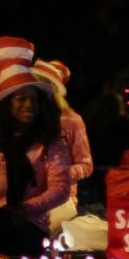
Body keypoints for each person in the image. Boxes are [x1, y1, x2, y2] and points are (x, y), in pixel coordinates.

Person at [0, 37, 70, 257]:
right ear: (7, 105)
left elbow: (60, 190)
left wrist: (24, 209)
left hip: (30, 228)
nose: (29, 105)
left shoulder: (51, 143)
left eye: (34, 100)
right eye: (21, 99)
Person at [33, 58, 93, 233]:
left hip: (59, 202)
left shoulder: (71, 120)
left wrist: (61, 173)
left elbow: (86, 165)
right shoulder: (25, 120)